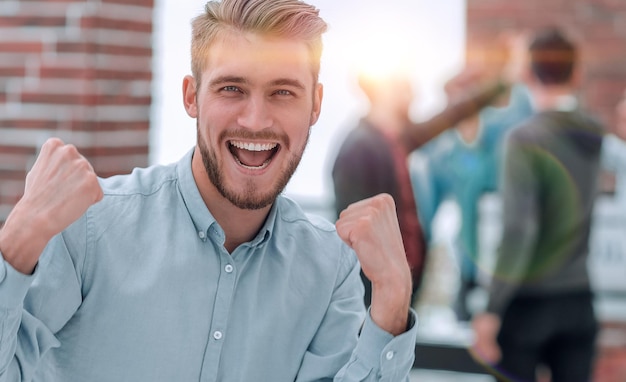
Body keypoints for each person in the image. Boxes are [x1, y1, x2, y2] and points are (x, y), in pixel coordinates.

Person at [0, 1, 420, 380]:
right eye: (232, 88)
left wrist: (392, 304)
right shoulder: (90, 229)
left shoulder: (330, 268)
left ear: (315, 105)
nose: (256, 120)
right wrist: (16, 243)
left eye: (283, 92)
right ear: (192, 96)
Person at [471, 28, 605, 382]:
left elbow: (519, 230)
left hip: (527, 304)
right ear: (576, 74)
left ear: (527, 75)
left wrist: (490, 309)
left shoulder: (524, 138)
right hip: (579, 300)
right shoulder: (593, 132)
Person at [331, 61, 512, 309]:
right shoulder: (359, 148)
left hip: (400, 289)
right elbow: (351, 236)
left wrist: (502, 83)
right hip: (372, 298)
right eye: (405, 88)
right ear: (384, 92)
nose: (413, 95)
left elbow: (451, 116)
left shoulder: (396, 139)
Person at [410, 73, 534, 321]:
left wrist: (515, 73)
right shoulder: (441, 155)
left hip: (512, 259)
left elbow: (525, 111)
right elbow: (425, 217)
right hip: (468, 266)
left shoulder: (501, 132)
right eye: (454, 106)